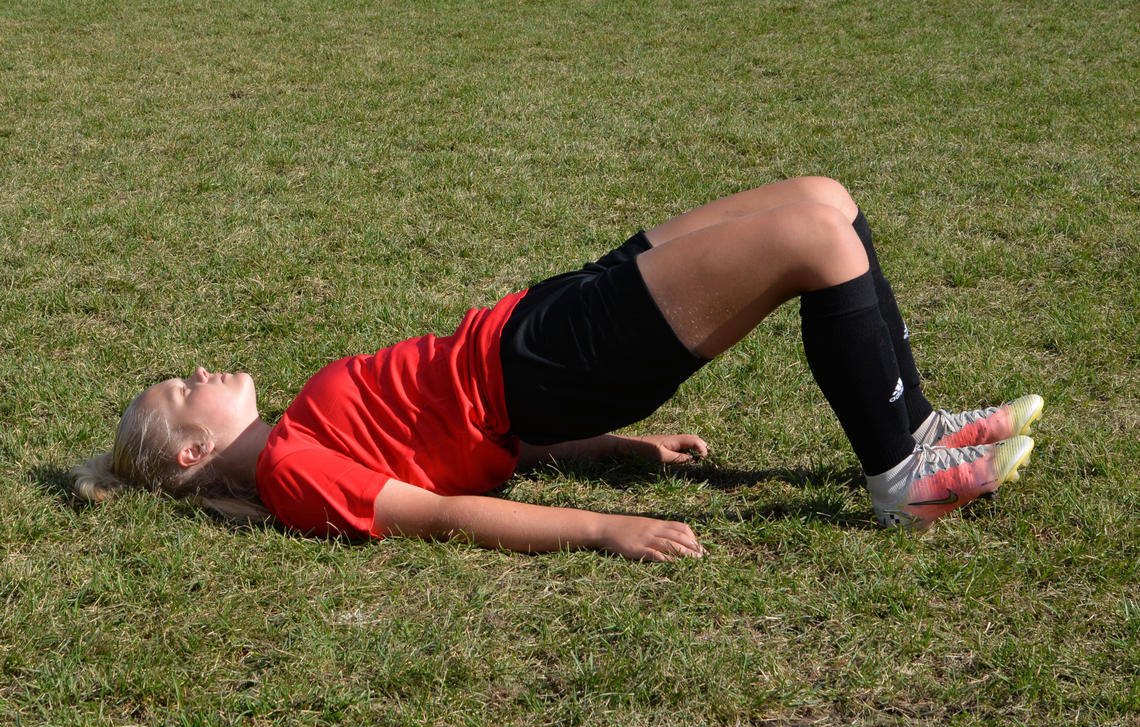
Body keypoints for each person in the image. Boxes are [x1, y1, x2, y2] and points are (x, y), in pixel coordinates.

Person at [72, 177, 1043, 561]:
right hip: (547, 360)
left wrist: (622, 446)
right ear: (195, 450)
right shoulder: (291, 472)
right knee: (812, 237)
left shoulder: (296, 431)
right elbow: (444, 508)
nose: (195, 368)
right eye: (179, 386)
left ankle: (913, 421)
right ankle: (900, 477)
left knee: (824, 195)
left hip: (539, 330)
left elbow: (468, 451)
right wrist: (603, 528)